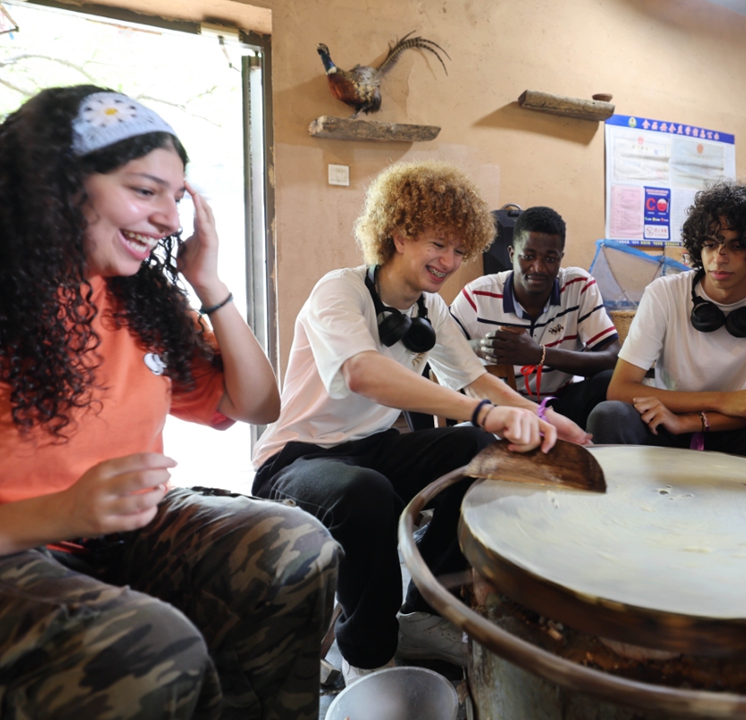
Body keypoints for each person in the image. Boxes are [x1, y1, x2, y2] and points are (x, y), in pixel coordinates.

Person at [0, 86, 338, 720]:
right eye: (145, 190)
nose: (172, 221)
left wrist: (209, 283)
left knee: (293, 547)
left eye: (176, 199)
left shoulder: (135, 299)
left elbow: (258, 404)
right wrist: (58, 512)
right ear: (52, 183)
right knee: (148, 647)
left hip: (115, 531)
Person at [251, 161, 589, 677]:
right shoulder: (338, 291)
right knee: (364, 493)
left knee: (476, 448)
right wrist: (485, 411)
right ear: (399, 233)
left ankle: (421, 615)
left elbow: (477, 379)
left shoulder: (431, 306)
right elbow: (365, 374)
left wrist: (544, 417)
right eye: (438, 244)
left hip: (372, 447)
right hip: (298, 458)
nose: (449, 261)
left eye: (459, 249)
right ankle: (368, 658)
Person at [587, 181, 746, 472]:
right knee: (609, 415)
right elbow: (620, 388)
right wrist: (722, 401)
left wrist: (692, 421)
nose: (719, 257)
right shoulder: (665, 292)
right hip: (669, 427)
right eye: (711, 244)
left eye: (736, 246)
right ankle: (622, 513)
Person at [449, 206, 621, 429]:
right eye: (528, 256)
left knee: (608, 382)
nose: (538, 268)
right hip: (501, 408)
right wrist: (483, 346)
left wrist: (540, 355)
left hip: (559, 404)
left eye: (550, 258)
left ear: (561, 258)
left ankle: (592, 454)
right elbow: (443, 347)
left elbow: (613, 357)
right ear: (511, 254)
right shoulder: (477, 295)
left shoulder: (578, 286)